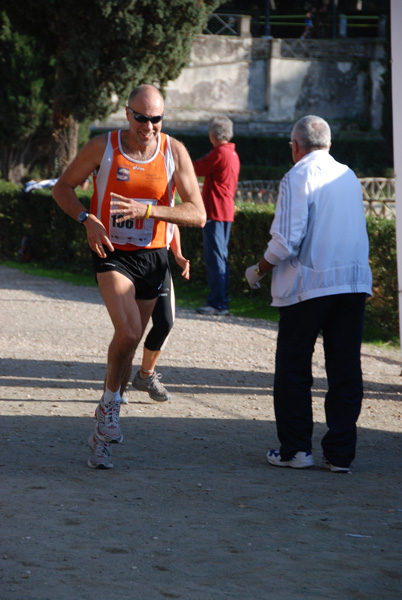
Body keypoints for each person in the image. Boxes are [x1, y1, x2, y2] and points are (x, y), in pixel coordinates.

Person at [52, 84, 206, 469]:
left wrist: (150, 212)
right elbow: (62, 188)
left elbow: (198, 213)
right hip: (112, 253)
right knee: (129, 332)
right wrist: (87, 219)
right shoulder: (104, 147)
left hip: (152, 257)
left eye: (157, 119)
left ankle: (104, 425)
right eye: (142, 118)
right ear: (127, 114)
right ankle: (110, 407)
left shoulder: (174, 152)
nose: (149, 126)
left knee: (130, 343)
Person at [245, 115, 372, 473]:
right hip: (352, 283)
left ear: (295, 147)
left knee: (293, 368)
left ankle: (297, 450)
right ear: (329, 145)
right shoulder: (348, 176)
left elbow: (285, 241)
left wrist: (258, 270)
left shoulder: (298, 175)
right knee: (346, 369)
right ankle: (341, 455)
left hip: (310, 285)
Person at [125, 225, 190, 404]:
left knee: (165, 323)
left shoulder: (166, 197)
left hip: (158, 260)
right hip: (126, 260)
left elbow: (172, 222)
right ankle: (116, 384)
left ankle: (146, 375)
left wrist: (178, 255)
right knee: (130, 328)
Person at [193, 115, 240, 316]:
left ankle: (218, 303)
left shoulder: (219, 153)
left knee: (215, 258)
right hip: (225, 210)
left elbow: (195, 169)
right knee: (221, 257)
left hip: (215, 210)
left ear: (212, 135)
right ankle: (221, 300)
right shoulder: (232, 153)